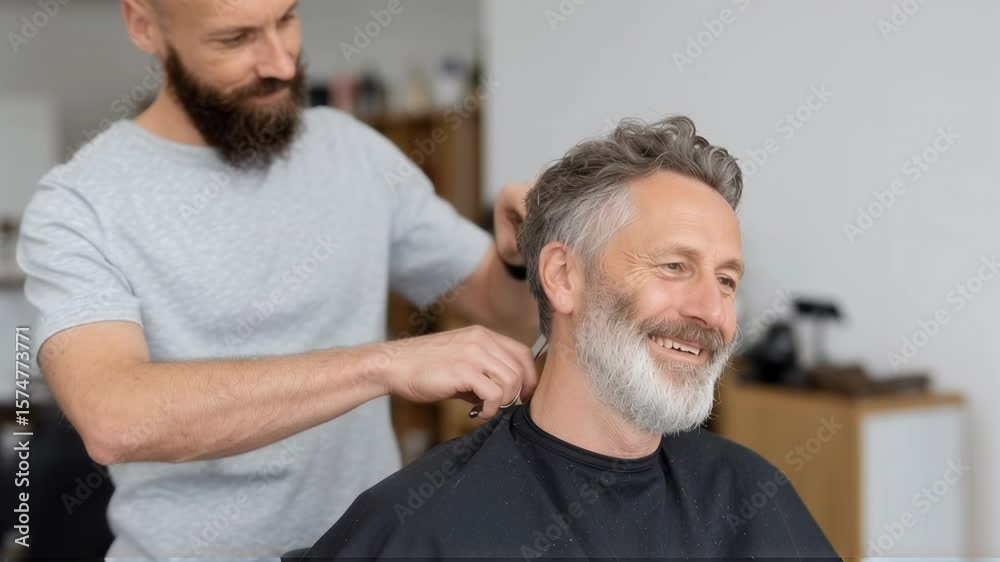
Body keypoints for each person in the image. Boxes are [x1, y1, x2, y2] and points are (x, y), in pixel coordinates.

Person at [16, 0, 540, 558]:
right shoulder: (77, 202)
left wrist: (514, 259)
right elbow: (113, 417)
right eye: (236, 38)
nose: (282, 64)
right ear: (144, 26)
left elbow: (504, 312)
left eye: (286, 19)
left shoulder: (353, 151)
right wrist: (383, 365)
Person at [296, 116, 840, 560]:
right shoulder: (422, 523)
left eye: (726, 281)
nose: (710, 311)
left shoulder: (749, 495)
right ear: (562, 277)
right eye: (674, 266)